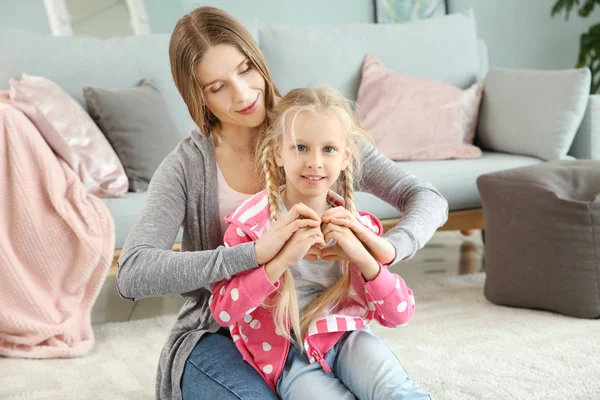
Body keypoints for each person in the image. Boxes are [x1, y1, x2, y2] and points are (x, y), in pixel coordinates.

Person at [115, 6, 447, 400]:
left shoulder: (313, 130)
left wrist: (387, 249)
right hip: (220, 331)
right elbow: (133, 272)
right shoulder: (187, 166)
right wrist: (256, 254)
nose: (242, 94)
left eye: (245, 69)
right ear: (197, 97)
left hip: (317, 324)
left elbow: (427, 198)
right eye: (216, 87)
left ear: (259, 61)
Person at [210, 86, 429, 399]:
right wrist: (279, 262)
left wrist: (363, 259)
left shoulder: (357, 226)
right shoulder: (250, 225)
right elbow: (224, 311)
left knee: (398, 392)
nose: (314, 162)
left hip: (347, 334)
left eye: (328, 149)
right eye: (301, 148)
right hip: (288, 356)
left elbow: (400, 314)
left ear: (345, 157)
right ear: (277, 152)